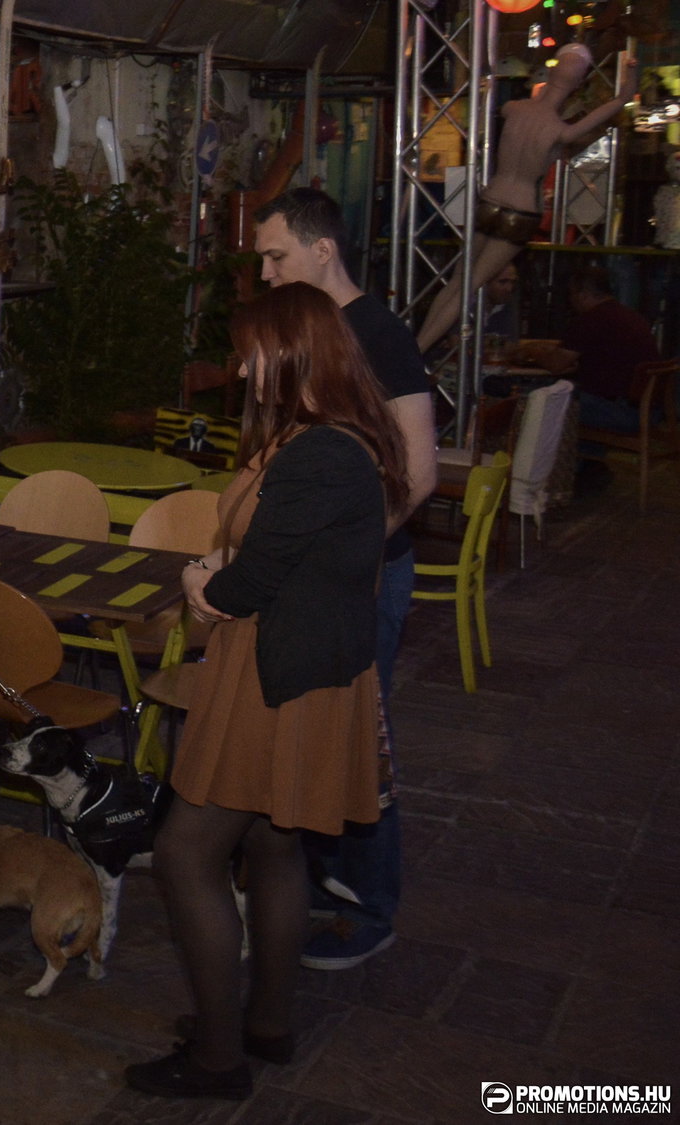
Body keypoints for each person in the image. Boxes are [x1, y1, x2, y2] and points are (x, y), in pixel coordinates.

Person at [127, 283, 409, 1100]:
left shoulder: (322, 452)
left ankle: (219, 1059)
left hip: (276, 675)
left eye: (252, 353)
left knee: (185, 854)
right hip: (293, 667)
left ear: (291, 355)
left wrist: (200, 578)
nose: (243, 369)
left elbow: (246, 585)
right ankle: (266, 1024)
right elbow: (281, 556)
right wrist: (227, 570)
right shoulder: (322, 438)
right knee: (274, 845)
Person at [252, 187, 436, 970]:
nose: (266, 273)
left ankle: (368, 905)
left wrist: (337, 553)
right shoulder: (311, 331)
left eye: (276, 256)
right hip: (322, 580)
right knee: (320, 734)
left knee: (363, 741)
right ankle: (317, 885)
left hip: (366, 579)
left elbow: (418, 475)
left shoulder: (378, 335)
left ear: (322, 251)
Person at [415, 43, 638, 353]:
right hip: (521, 210)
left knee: (458, 281)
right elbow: (620, 100)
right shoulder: (560, 129)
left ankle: (414, 346)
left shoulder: (514, 109)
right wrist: (630, 76)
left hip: (490, 199)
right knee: (471, 286)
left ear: (551, 72)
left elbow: (494, 93)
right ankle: (417, 351)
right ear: (578, 83)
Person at [516, 266, 660, 434]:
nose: (570, 301)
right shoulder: (631, 316)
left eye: (571, 294)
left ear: (582, 295)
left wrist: (530, 351)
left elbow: (556, 365)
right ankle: (586, 451)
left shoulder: (590, 319)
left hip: (621, 413)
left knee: (532, 398)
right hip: (648, 411)